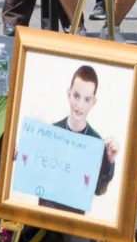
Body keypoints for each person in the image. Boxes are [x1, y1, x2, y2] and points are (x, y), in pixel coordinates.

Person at [41, 65, 117, 214]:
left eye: (87, 99)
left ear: (93, 102)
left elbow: (99, 190)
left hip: (74, 220)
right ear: (68, 94)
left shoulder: (96, 143)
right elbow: (36, 172)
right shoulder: (52, 132)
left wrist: (110, 161)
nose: (80, 105)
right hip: (45, 212)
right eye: (76, 96)